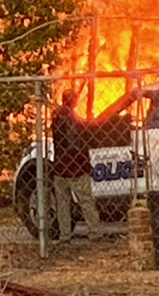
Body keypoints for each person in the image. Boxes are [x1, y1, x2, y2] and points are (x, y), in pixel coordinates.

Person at [51, 89, 102, 242]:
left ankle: (65, 235)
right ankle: (94, 232)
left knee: (63, 204)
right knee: (86, 201)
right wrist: (86, 165)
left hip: (59, 168)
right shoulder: (73, 119)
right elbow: (76, 145)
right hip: (75, 169)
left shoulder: (56, 116)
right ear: (73, 101)